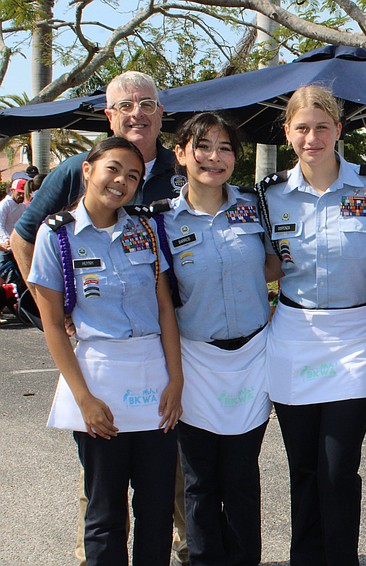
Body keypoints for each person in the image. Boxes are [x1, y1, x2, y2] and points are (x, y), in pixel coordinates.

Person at [10, 70, 190, 566]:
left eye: (148, 104)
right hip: (97, 371)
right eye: (113, 170)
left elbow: (163, 305)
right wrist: (59, 305)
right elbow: (28, 248)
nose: (123, 181)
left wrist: (175, 377)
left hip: (156, 366)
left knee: (159, 495)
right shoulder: (60, 228)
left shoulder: (156, 207)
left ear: (161, 112)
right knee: (105, 504)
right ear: (88, 168)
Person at [256, 84, 366, 566]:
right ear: (288, 132)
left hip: (358, 336)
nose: (311, 137)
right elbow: (264, 264)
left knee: (338, 467)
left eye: (321, 127)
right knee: (304, 467)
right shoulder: (270, 195)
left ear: (339, 129)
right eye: (301, 128)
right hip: (295, 334)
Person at [158, 112, 277, 565]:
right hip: (195, 361)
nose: (214, 157)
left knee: (243, 478)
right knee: (199, 480)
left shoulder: (255, 206)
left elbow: (276, 264)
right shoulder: (160, 223)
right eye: (203, 146)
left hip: (251, 355)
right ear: (181, 154)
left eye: (225, 148)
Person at [11, 70, 180, 286]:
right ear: (110, 116)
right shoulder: (76, 170)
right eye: (125, 106)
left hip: (173, 314)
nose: (137, 113)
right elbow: (22, 239)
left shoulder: (183, 170)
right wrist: (53, 311)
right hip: (98, 315)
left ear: (159, 114)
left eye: (147, 105)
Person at [0, 179, 27, 276]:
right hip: (4, 246)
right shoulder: (5, 205)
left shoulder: (23, 206)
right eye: (19, 193)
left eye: (23, 193)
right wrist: (6, 240)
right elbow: (0, 225)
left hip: (16, 245)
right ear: (12, 190)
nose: (21, 196)